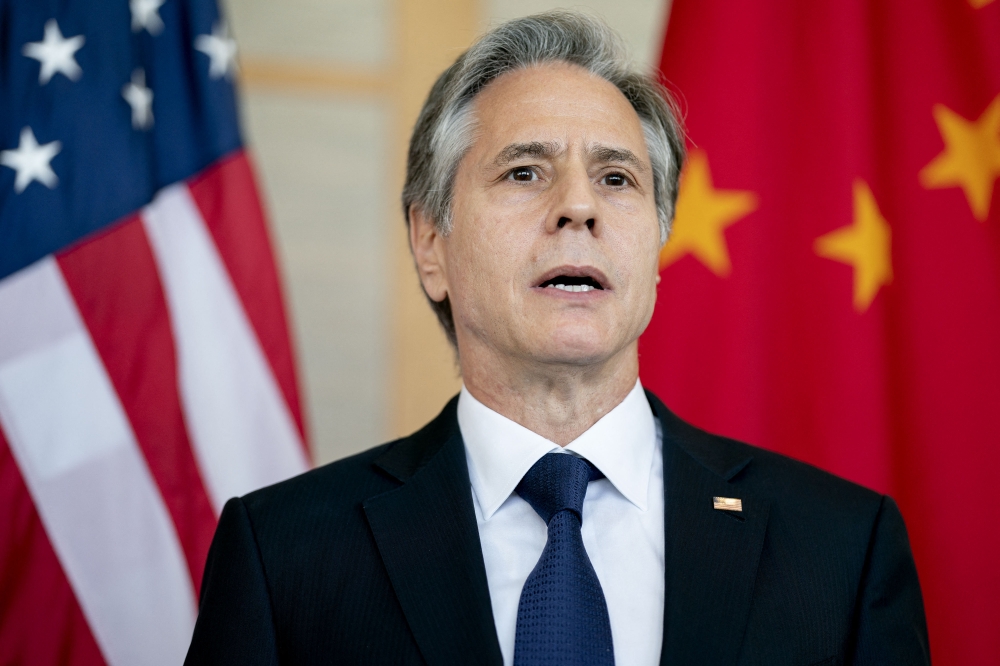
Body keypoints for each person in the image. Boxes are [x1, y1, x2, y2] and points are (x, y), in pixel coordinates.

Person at [184, 11, 929, 665]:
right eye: (524, 172)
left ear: (657, 246)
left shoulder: (841, 548)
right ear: (430, 242)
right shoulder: (286, 554)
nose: (579, 206)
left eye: (617, 179)